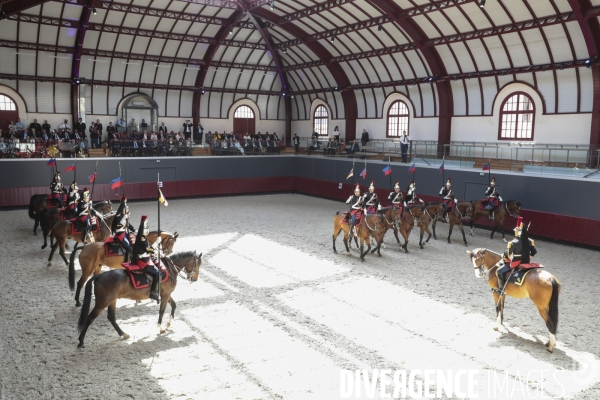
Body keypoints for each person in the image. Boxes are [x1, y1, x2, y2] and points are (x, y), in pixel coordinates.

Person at [493, 217, 537, 295]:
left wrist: (504, 258)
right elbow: (534, 251)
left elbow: (507, 255)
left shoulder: (513, 242)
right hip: (526, 261)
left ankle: (501, 290)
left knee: (499, 271)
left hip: (516, 262)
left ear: (518, 232)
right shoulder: (530, 241)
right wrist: (530, 255)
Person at [131, 215, 160, 303]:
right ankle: (153, 293)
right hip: (143, 262)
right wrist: (157, 242)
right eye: (147, 228)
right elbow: (148, 251)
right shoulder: (142, 239)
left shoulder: (142, 237)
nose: (148, 230)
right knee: (158, 273)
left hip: (143, 258)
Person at [111, 196, 135, 262]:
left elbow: (128, 224)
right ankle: (126, 262)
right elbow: (118, 226)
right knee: (128, 248)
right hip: (120, 234)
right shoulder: (119, 216)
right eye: (125, 209)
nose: (126, 211)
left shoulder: (124, 216)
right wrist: (124, 218)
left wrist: (134, 229)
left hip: (125, 233)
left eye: (127, 209)